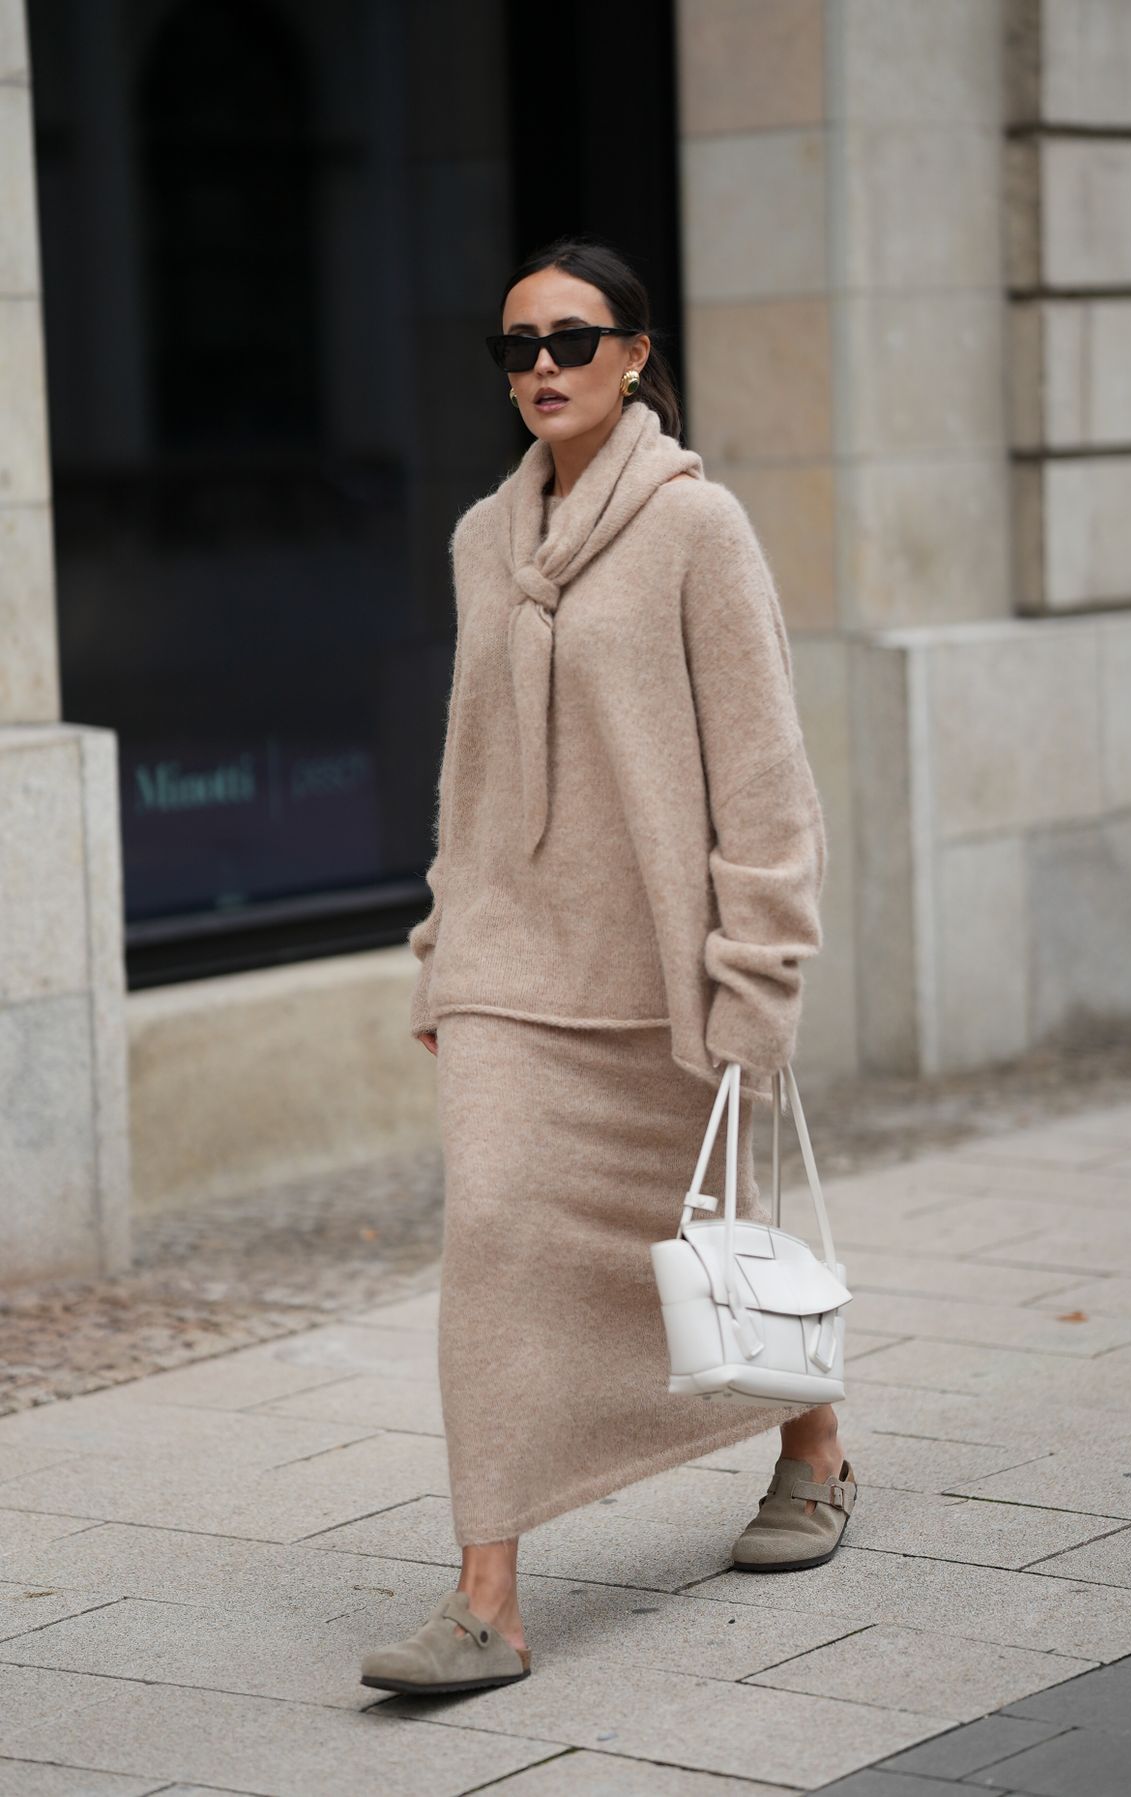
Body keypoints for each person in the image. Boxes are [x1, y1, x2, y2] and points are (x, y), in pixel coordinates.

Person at [360, 236, 855, 1699]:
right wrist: (442, 950)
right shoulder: (477, 542)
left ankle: (811, 1442)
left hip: (667, 979)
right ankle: (486, 1595)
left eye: (574, 341)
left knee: (705, 1250)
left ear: (638, 354)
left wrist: (756, 975)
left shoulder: (702, 529)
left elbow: (767, 779)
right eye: (518, 347)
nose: (544, 370)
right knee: (494, 1234)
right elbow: (469, 765)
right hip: (515, 969)